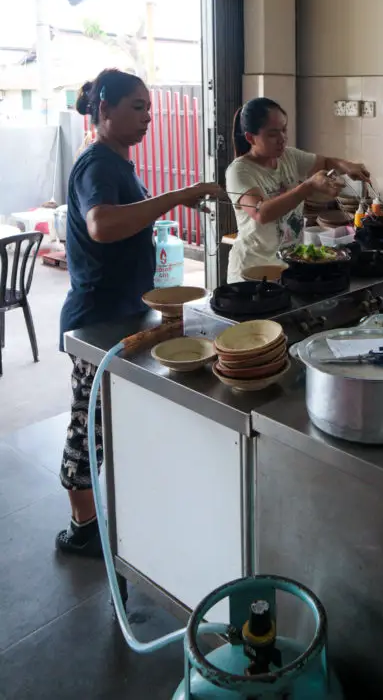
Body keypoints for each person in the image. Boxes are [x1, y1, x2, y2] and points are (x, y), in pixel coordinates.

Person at [56, 69, 226, 557]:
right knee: (88, 427)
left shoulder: (119, 162)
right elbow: (101, 226)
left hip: (125, 312)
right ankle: (83, 526)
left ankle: (120, 512)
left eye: (148, 107)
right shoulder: (98, 164)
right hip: (96, 318)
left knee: (115, 420)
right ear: (104, 110)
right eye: (136, 106)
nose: (147, 116)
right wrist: (178, 195)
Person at [226, 97, 370, 282]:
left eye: (284, 130)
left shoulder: (289, 156)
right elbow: (261, 213)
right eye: (272, 134)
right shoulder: (240, 171)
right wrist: (308, 186)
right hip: (252, 273)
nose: (282, 139)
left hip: (288, 267)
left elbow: (325, 162)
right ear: (250, 137)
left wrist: (348, 166)